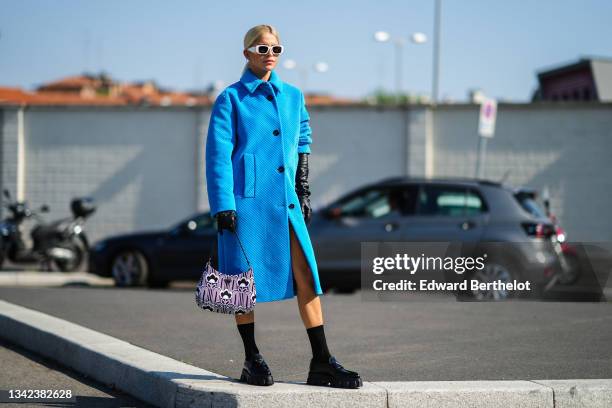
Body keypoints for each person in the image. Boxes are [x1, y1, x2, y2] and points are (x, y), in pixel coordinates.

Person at [205, 24, 362, 389]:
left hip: (286, 203)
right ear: (246, 53)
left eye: (276, 49)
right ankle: (252, 359)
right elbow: (218, 156)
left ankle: (321, 360)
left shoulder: (292, 96)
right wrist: (223, 205)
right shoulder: (231, 99)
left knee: (307, 275)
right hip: (245, 204)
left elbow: (303, 137)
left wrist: (303, 188)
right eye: (262, 49)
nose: (270, 55)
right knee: (242, 283)